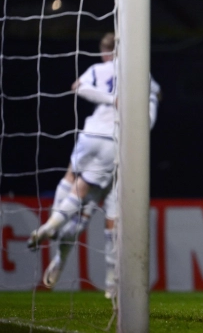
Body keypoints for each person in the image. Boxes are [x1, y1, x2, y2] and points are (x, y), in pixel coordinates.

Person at [26, 32, 161, 300]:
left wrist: (107, 98)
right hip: (117, 143)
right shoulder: (140, 73)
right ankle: (111, 281)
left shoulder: (98, 68)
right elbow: (153, 102)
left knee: (72, 181)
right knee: (108, 214)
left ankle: (55, 244)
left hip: (88, 136)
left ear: (103, 51)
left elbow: (77, 86)